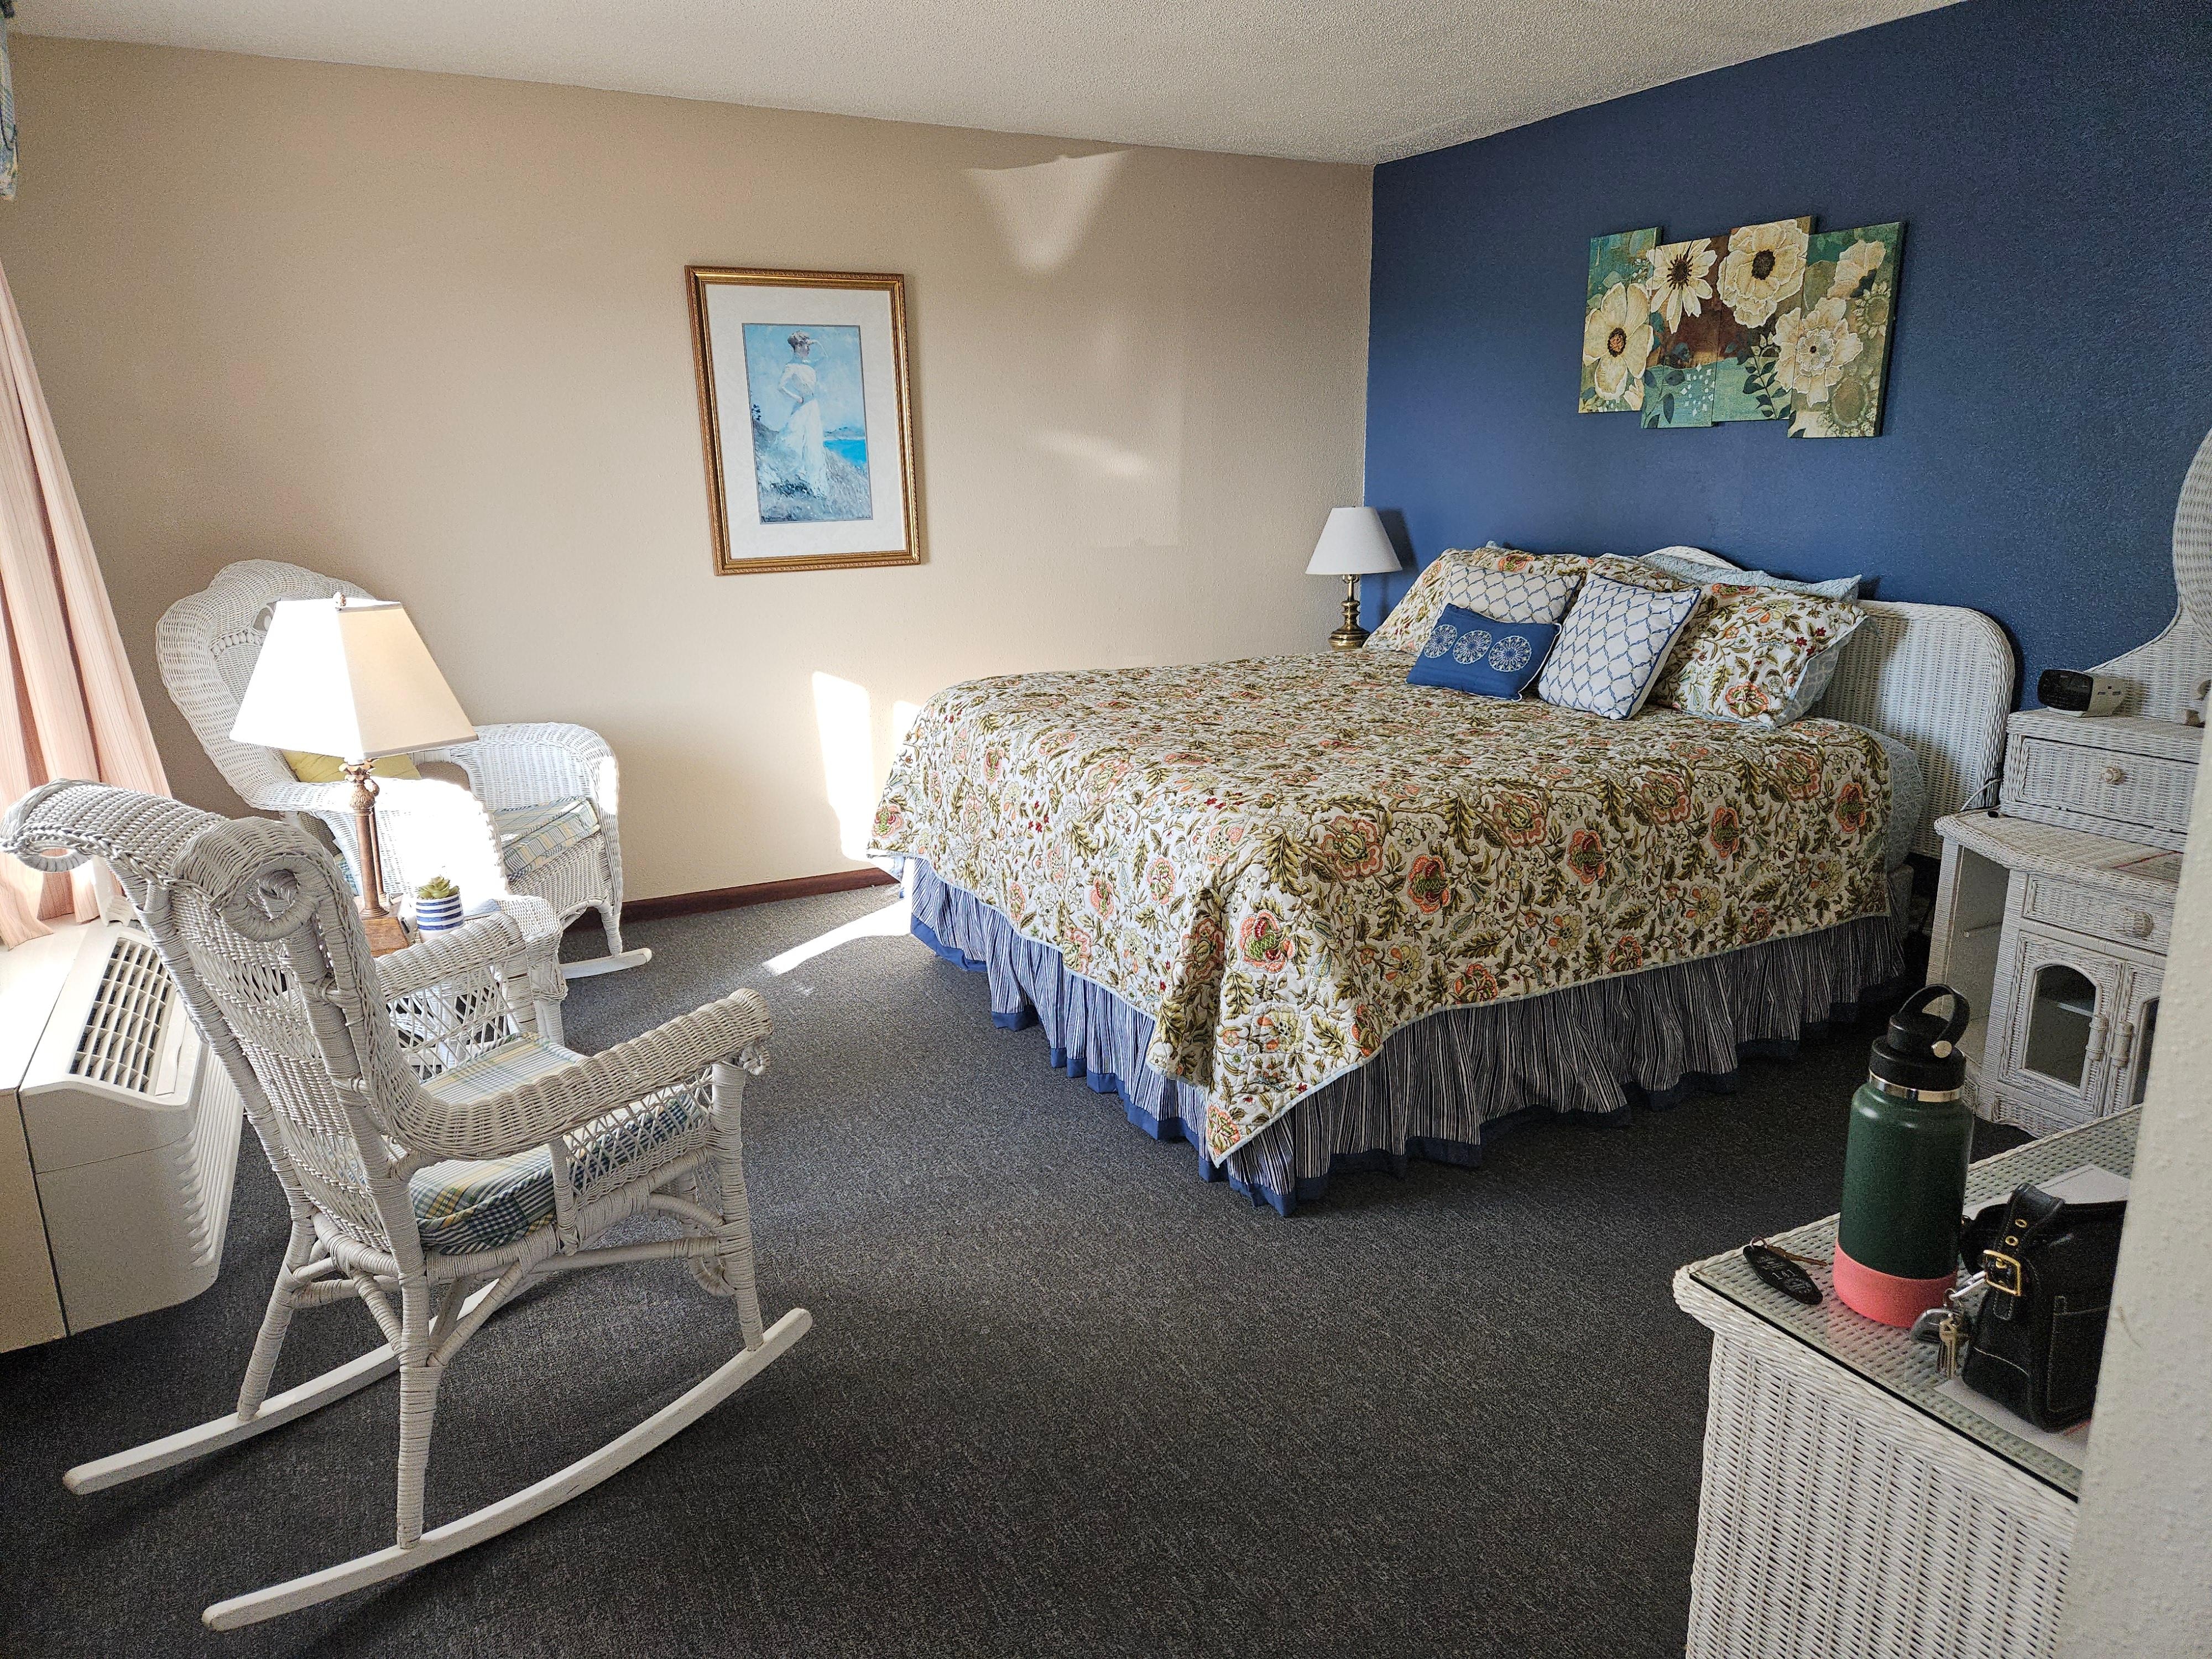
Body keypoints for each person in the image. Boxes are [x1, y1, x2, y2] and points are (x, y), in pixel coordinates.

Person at [772, 332, 827, 497]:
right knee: (795, 440)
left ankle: (813, 484)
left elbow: (825, 357)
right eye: (806, 346)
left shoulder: (810, 365)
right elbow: (780, 387)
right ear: (798, 346)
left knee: (813, 442)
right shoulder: (791, 367)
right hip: (803, 407)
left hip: (813, 407)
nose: (809, 349)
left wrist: (816, 342)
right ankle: (793, 479)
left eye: (809, 346)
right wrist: (797, 398)